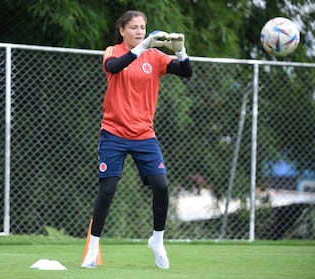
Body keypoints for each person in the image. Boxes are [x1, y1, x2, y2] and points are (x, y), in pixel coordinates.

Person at [81, 10, 193, 269]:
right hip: (113, 133)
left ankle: (157, 240)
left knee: (161, 185)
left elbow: (186, 71)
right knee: (107, 190)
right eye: (133, 27)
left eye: (142, 27)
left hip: (144, 135)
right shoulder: (113, 51)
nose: (139, 31)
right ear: (122, 30)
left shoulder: (154, 57)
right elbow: (113, 67)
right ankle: (93, 248)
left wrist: (181, 51)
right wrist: (141, 47)